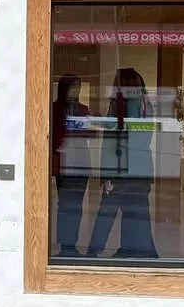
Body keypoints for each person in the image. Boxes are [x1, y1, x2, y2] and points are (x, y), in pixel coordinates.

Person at [86, 66, 158, 259]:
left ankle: (93, 252)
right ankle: (136, 251)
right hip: (141, 170)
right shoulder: (145, 104)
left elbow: (119, 136)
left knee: (106, 213)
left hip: (120, 169)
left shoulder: (122, 105)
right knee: (136, 213)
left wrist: (108, 175)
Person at [51, 73, 91, 256]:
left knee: (77, 205)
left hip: (81, 161)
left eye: (78, 86)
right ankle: (64, 244)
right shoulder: (54, 109)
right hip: (64, 162)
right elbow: (52, 135)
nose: (76, 90)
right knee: (65, 205)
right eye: (73, 86)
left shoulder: (84, 109)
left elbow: (89, 134)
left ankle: (71, 244)